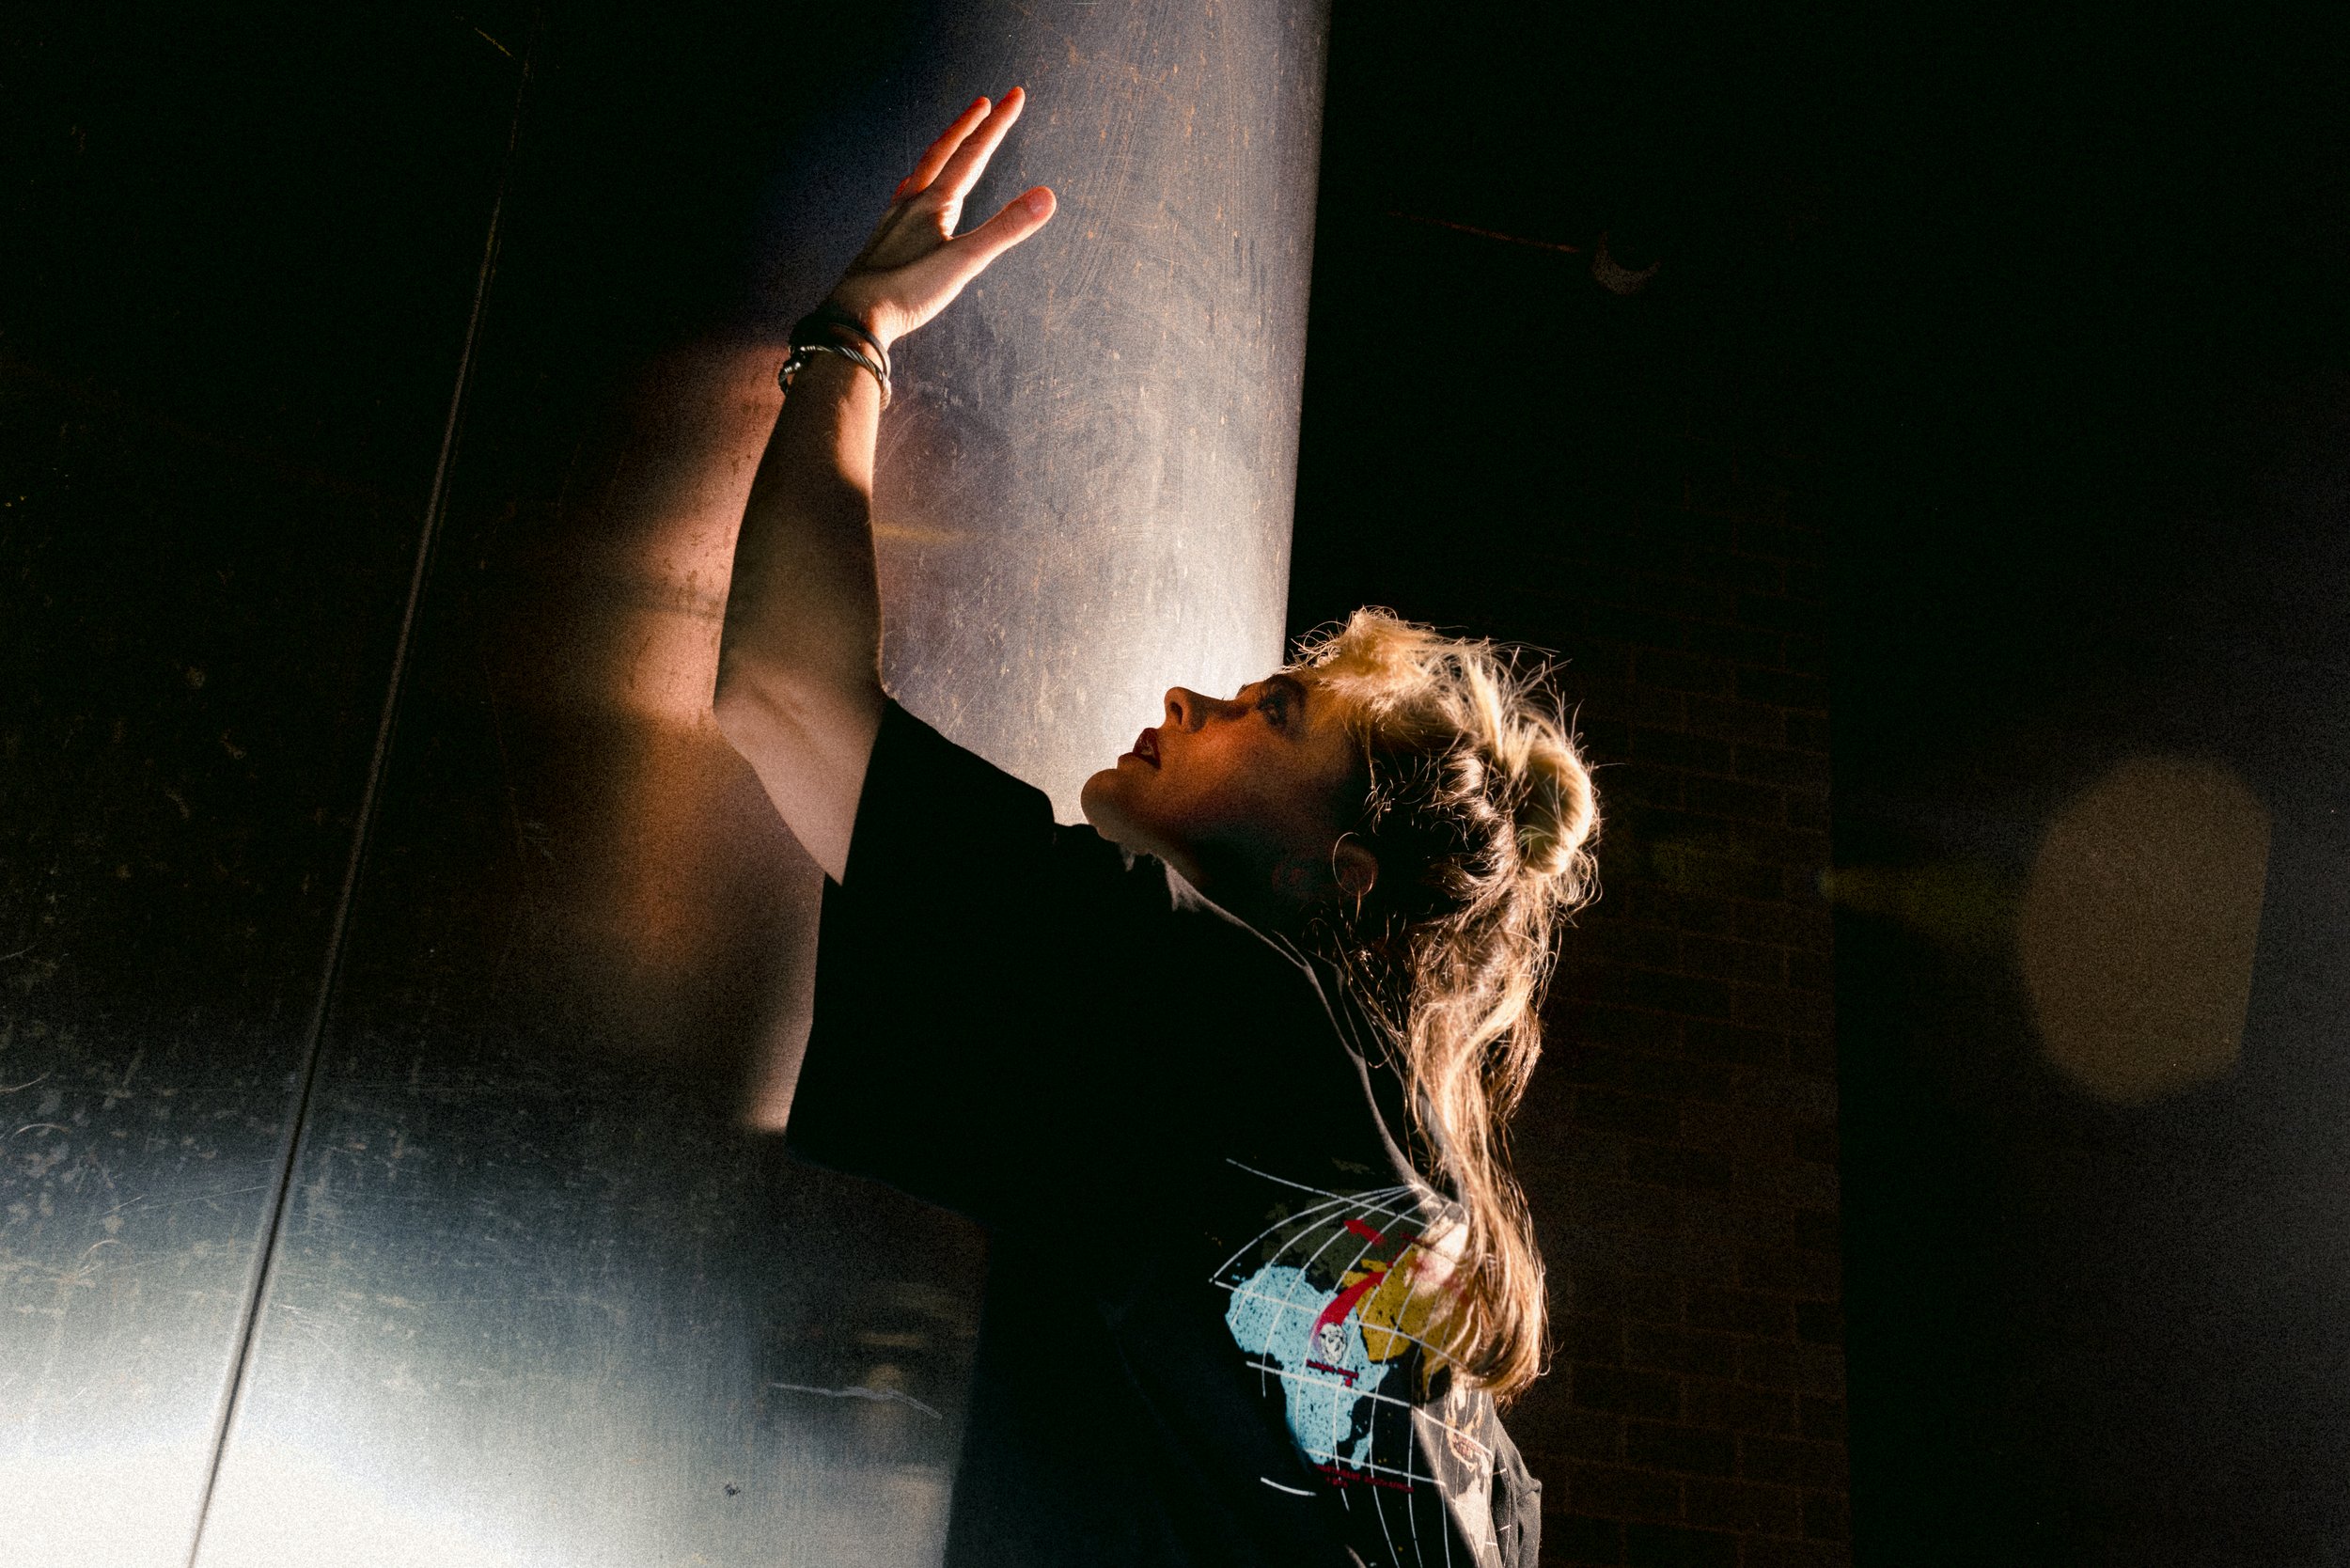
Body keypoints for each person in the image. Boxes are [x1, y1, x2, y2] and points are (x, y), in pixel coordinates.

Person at [714, 88, 1599, 1568]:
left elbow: (782, 696)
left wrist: (850, 340)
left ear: (1340, 870)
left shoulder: (1219, 1030)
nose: (1192, 694)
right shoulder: (1420, 1264)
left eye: (1274, 712)